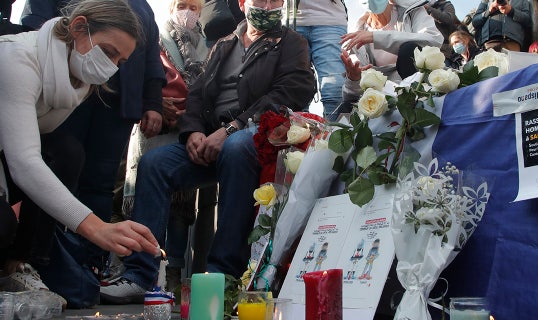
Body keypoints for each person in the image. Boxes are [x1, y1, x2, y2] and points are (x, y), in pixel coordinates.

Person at [99, 0, 316, 304]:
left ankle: (223, 275)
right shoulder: (224, 44)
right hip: (210, 139)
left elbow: (292, 90)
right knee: (154, 164)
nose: (267, 5)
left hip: (253, 136)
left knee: (238, 148)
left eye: (274, 0)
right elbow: (199, 94)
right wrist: (193, 133)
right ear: (242, 4)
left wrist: (231, 129)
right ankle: (139, 274)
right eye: (259, 0)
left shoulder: (292, 43)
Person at [0, 0, 158, 304]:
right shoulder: (17, 58)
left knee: (67, 152)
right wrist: (96, 228)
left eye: (121, 62)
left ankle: (23, 262)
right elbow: (24, 162)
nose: (111, 66)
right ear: (78, 27)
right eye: (109, 51)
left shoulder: (77, 80)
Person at [116, 0, 214, 294]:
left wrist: (194, 115)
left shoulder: (210, 46)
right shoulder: (155, 37)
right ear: (172, 8)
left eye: (194, 7)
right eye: (182, 5)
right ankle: (138, 270)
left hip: (190, 127)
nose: (188, 12)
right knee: (151, 186)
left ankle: (172, 272)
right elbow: (146, 73)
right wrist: (156, 103)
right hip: (158, 124)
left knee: (181, 208)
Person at [339, 0, 444, 107]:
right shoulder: (355, 37)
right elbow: (351, 97)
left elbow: (434, 41)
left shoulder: (412, 11)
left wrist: (376, 37)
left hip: (421, 90)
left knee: (408, 49)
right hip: (385, 103)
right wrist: (354, 79)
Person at [288, 0, 348, 121]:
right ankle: (300, 135)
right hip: (288, 18)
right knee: (294, 91)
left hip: (330, 19)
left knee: (334, 90)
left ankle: (333, 137)